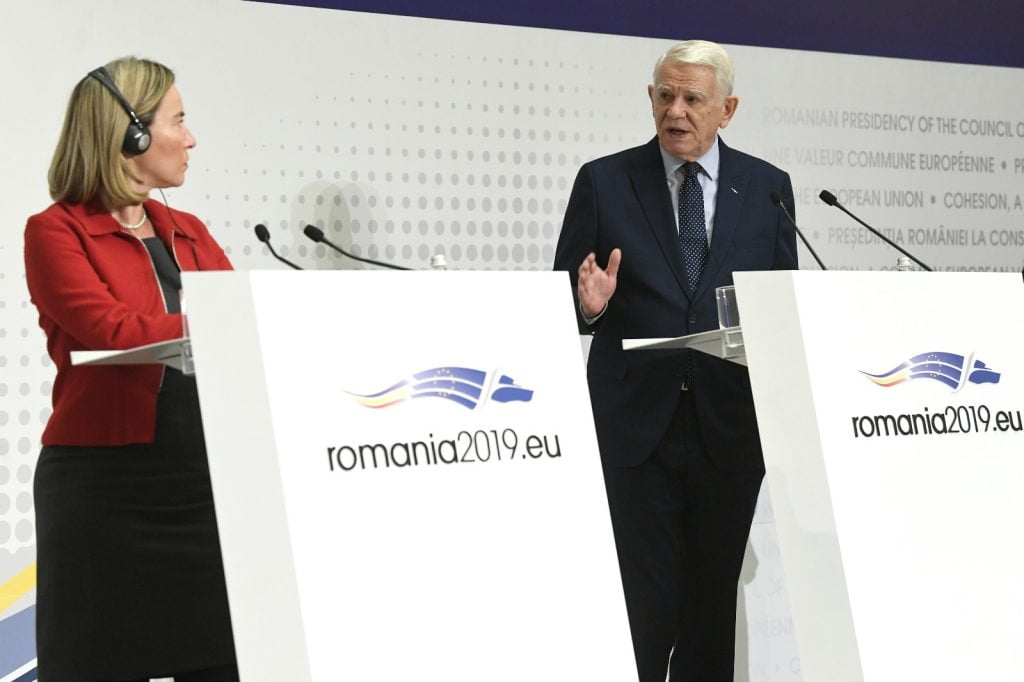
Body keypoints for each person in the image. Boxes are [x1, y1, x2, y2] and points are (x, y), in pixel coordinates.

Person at [554, 40, 797, 682]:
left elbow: (782, 310)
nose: (676, 111)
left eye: (693, 98)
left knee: (710, 616)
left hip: (728, 431)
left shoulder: (768, 190)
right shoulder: (605, 182)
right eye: (666, 96)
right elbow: (562, 301)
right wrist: (589, 306)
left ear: (727, 110)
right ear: (651, 98)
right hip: (636, 432)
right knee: (643, 612)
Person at [24, 57, 239, 681]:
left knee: (226, 660)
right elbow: (111, 330)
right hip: (105, 493)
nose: (191, 138)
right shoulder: (55, 232)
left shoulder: (189, 231)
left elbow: (239, 321)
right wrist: (221, 325)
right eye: (178, 120)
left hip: (204, 487)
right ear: (131, 135)